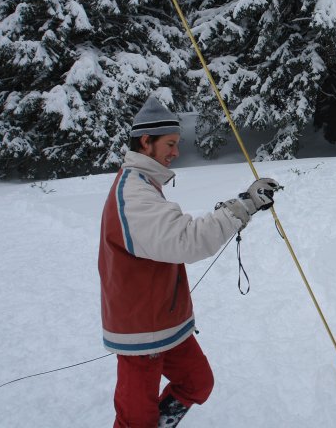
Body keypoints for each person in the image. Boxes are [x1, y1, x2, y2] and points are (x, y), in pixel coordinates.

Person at [98, 95, 280, 428]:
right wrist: (243, 208)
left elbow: (173, 234)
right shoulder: (133, 194)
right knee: (136, 421)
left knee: (197, 383)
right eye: (169, 143)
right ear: (145, 141)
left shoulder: (145, 184)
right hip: (142, 331)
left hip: (167, 324)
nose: (176, 152)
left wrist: (240, 205)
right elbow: (186, 240)